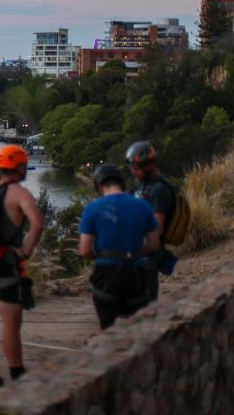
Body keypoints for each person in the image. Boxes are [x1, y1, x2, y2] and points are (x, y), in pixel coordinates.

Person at [0, 145, 44, 393]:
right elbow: (37, 224)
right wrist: (25, 251)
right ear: (21, 167)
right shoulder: (19, 194)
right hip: (4, 266)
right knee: (11, 323)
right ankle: (17, 375)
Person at [79, 164, 160, 329]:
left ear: (99, 186)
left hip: (107, 276)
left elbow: (85, 250)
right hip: (136, 275)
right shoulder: (143, 206)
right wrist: (135, 252)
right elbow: (154, 244)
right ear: (121, 183)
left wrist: (103, 256)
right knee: (136, 329)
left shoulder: (92, 209)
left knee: (109, 330)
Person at [126, 141, 176, 302]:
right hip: (133, 254)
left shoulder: (159, 189)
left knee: (146, 302)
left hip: (148, 255)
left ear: (148, 165)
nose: (133, 172)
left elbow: (158, 228)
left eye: (136, 168)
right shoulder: (140, 186)